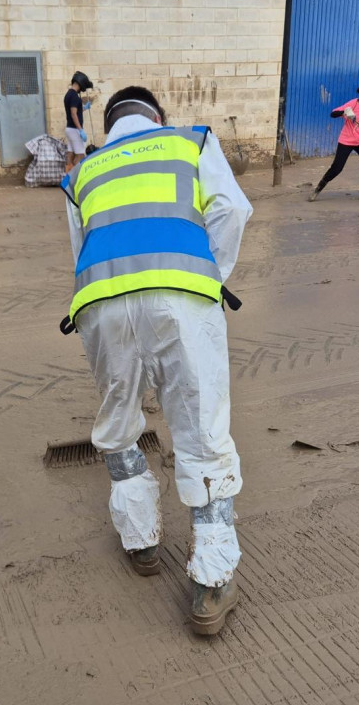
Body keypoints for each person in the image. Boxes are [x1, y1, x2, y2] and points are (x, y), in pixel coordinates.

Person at [60, 85, 252, 635]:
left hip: (99, 304)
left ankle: (141, 543)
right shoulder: (189, 143)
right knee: (200, 428)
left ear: (109, 126)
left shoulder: (83, 173)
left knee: (118, 422)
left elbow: (82, 250)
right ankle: (212, 585)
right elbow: (231, 210)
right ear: (157, 118)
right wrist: (209, 274)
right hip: (181, 299)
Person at [308, 83, 359, 203]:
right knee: (337, 168)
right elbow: (333, 114)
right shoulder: (352, 104)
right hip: (347, 141)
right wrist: (345, 112)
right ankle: (317, 190)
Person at [64, 71, 93, 173]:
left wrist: (84, 108)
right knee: (80, 155)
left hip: (69, 129)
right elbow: (73, 113)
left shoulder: (68, 94)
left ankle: (67, 177)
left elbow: (75, 110)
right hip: (75, 129)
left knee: (70, 153)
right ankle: (75, 179)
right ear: (81, 84)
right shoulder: (75, 97)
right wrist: (80, 130)